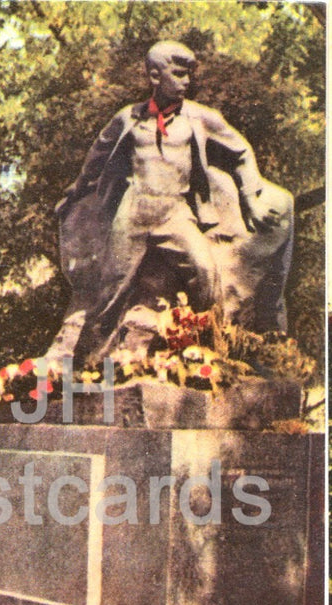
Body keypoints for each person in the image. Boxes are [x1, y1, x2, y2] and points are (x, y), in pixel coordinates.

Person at [47, 40, 293, 363]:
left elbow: (241, 151)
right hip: (133, 212)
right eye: (178, 74)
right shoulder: (128, 119)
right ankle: (88, 367)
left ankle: (211, 354)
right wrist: (74, 193)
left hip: (175, 213)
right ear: (153, 76)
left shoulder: (200, 117)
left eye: (189, 75)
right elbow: (96, 159)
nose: (186, 82)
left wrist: (251, 197)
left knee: (206, 274)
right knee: (111, 290)